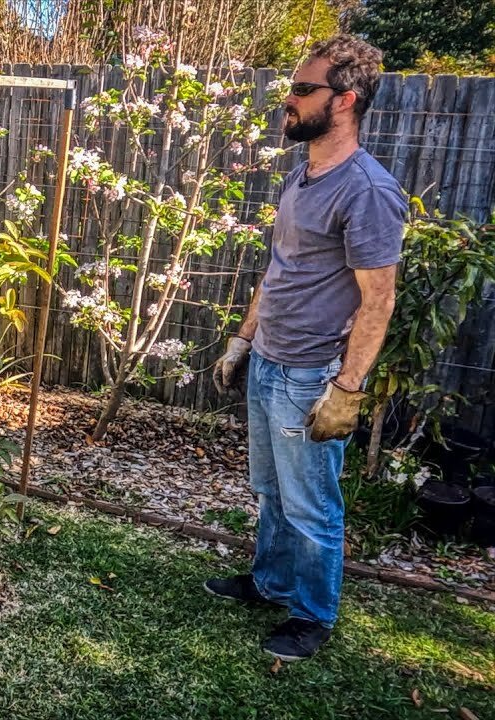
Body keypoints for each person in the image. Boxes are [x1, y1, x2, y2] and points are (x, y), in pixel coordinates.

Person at [204, 35, 407, 662]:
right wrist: (243, 341)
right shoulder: (302, 176)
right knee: (270, 489)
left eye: (301, 90)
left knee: (312, 503)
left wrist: (346, 391)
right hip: (270, 360)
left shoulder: (367, 190)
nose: (286, 101)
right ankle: (271, 582)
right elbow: (280, 269)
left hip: (312, 373)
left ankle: (313, 614)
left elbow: (380, 300)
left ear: (343, 100)